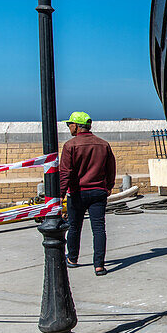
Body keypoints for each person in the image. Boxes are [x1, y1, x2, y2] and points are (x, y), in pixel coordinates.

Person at [59, 111, 116, 276]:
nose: (68, 127)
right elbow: (111, 168)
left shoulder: (70, 146)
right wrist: (109, 186)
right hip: (98, 192)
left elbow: (65, 174)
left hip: (77, 193)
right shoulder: (103, 144)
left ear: (76, 126)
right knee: (99, 228)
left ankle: (72, 259)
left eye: (69, 124)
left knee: (75, 227)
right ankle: (99, 265)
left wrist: (60, 195)